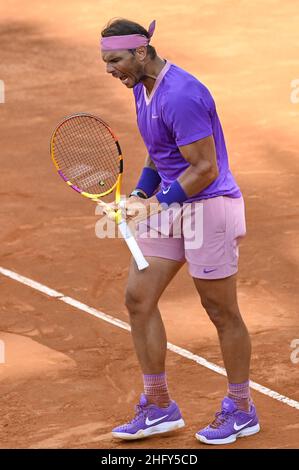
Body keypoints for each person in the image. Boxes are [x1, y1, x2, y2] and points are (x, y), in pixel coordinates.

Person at [100, 18, 260, 445]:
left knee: (221, 311)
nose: (110, 69)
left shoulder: (182, 94)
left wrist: (158, 204)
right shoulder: (141, 88)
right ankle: (159, 406)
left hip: (210, 207)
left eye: (115, 60)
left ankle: (242, 409)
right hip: (173, 203)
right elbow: (160, 154)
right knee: (138, 297)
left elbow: (205, 168)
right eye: (105, 62)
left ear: (140, 52)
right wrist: (139, 193)